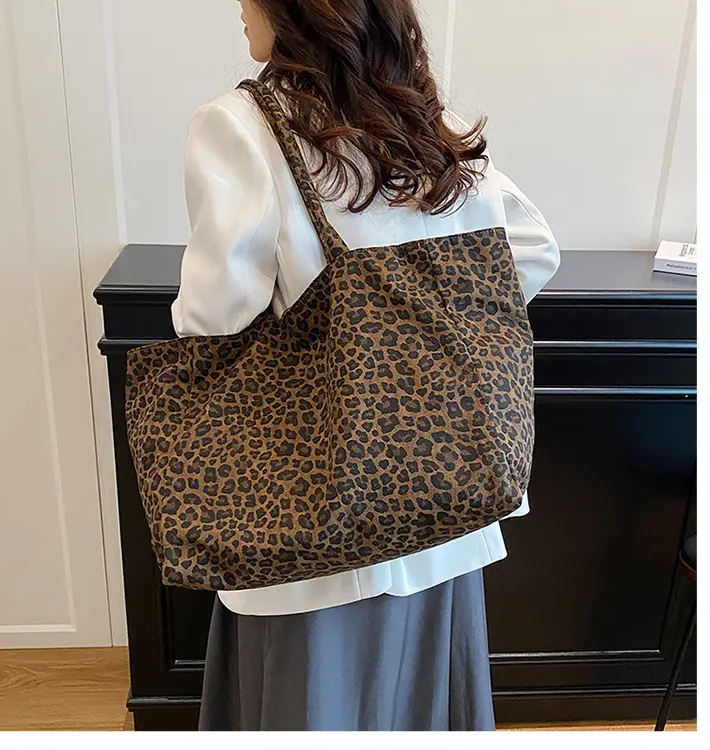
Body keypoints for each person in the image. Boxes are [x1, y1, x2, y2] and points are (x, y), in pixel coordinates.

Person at [171, 0, 560, 732]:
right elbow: (534, 250)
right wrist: (420, 342)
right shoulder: (422, 121)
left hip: (314, 522)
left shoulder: (241, 126)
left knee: (313, 704)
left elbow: (213, 321)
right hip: (443, 503)